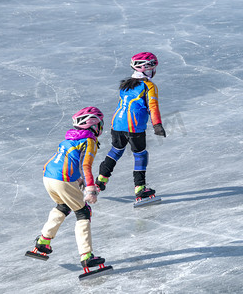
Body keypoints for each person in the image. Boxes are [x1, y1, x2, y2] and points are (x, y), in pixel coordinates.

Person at [33, 107, 106, 269]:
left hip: (48, 177)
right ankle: (86, 256)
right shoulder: (89, 141)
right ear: (94, 125)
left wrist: (78, 179)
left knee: (63, 206)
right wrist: (90, 189)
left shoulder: (68, 140)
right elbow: (86, 166)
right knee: (83, 212)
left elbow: (70, 161)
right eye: (100, 124)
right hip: (63, 179)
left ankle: (43, 241)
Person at [95, 52, 166, 200]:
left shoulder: (125, 84)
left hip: (117, 123)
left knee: (116, 150)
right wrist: (157, 125)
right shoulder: (149, 86)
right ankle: (140, 188)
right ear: (147, 69)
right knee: (140, 154)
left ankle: (101, 179)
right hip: (134, 126)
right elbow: (153, 107)